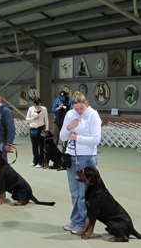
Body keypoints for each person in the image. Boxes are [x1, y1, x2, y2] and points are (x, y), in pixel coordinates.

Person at [59, 91, 102, 235]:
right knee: (74, 193)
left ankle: (83, 223)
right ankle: (76, 220)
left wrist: (78, 138)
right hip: (71, 156)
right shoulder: (70, 114)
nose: (78, 111)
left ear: (86, 104)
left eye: (81, 108)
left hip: (86, 157)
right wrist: (69, 127)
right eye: (76, 108)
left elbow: (96, 140)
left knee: (84, 194)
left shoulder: (93, 115)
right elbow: (63, 137)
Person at [26, 97, 49, 167]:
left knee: (41, 145)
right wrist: (33, 118)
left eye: (39, 104)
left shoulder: (44, 109)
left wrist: (47, 129)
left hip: (41, 128)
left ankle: (40, 162)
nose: (38, 106)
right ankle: (35, 160)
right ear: (34, 104)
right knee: (34, 146)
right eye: (37, 105)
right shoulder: (30, 109)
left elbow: (46, 119)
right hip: (33, 129)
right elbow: (27, 119)